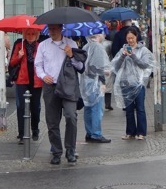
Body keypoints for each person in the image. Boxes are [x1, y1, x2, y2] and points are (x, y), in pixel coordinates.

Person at [35, 23, 86, 165]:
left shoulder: (71, 43)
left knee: (71, 116)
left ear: (61, 28)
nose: (52, 31)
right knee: (52, 121)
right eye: (50, 28)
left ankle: (70, 149)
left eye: (55, 28)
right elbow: (38, 65)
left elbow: (81, 67)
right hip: (50, 86)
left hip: (68, 86)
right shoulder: (43, 45)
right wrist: (43, 75)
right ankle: (56, 151)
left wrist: (71, 55)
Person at [112, 26, 154, 140]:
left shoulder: (143, 50)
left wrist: (133, 56)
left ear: (136, 37)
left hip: (138, 83)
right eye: (128, 38)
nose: (130, 40)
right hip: (126, 83)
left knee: (140, 108)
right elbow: (116, 66)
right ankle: (130, 132)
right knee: (129, 109)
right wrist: (123, 55)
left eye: (132, 38)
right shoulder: (123, 50)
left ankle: (141, 133)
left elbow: (145, 64)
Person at [8, 28, 43, 144]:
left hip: (36, 79)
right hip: (22, 79)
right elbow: (12, 63)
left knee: (35, 106)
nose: (30, 35)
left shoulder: (40, 46)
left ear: (37, 35)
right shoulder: (19, 44)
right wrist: (19, 56)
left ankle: (35, 129)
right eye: (28, 33)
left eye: (33, 33)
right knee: (21, 106)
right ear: (24, 34)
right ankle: (22, 133)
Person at [81, 32, 111, 143]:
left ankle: (89, 132)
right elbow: (99, 66)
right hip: (95, 81)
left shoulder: (86, 46)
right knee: (97, 109)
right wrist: (104, 75)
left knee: (88, 107)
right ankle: (96, 134)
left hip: (86, 81)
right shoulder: (98, 47)